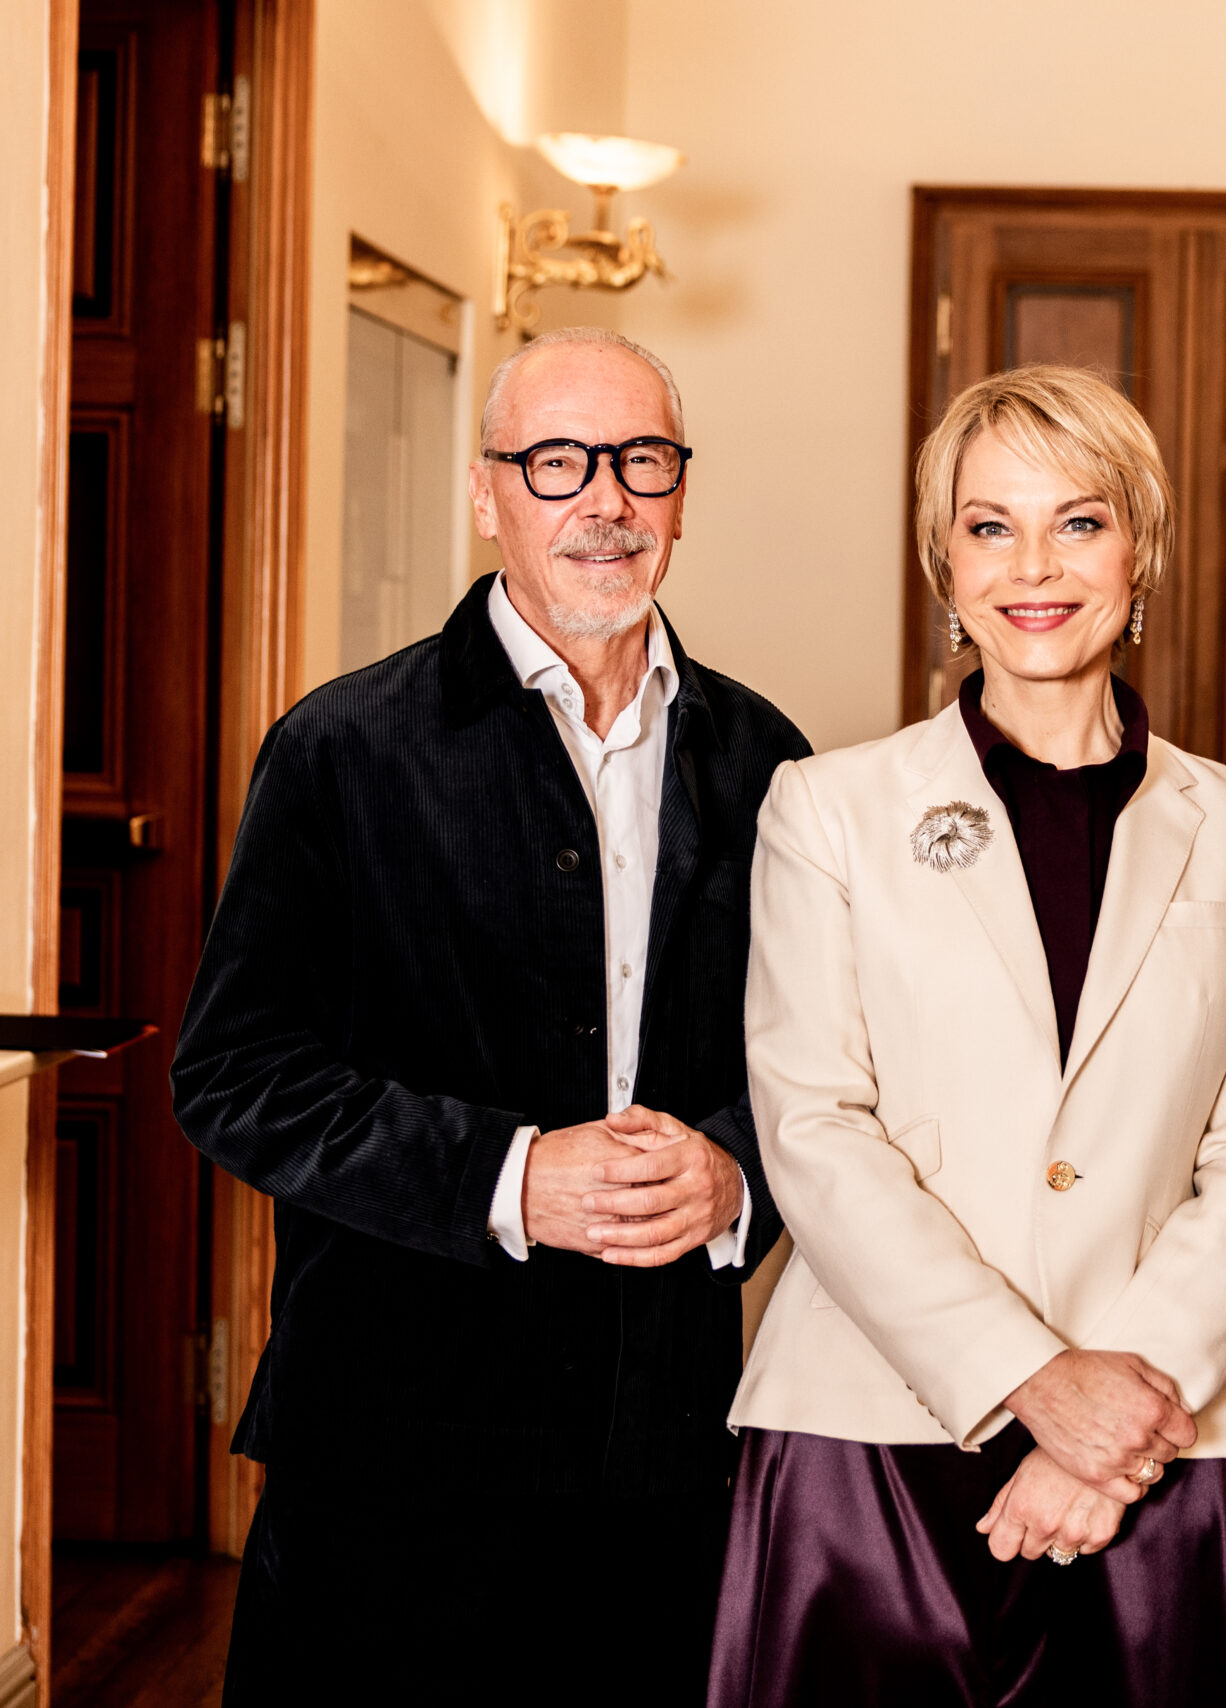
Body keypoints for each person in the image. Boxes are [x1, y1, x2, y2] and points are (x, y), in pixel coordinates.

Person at [171, 326, 808, 1705]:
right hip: (391, 1453)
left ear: (682, 494)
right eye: (556, 461)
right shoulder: (342, 749)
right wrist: (511, 1174)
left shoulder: (770, 763)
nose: (605, 501)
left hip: (666, 1449)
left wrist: (736, 1170)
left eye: (641, 461)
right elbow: (232, 1074)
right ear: (487, 492)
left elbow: (823, 1071)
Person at [710, 363, 1226, 1706]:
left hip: (1163, 1438)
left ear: (1141, 546)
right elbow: (814, 1130)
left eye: (1081, 521)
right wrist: (1033, 1379)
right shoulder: (827, 811)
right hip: (869, 1432)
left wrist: (1120, 1403)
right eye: (990, 525)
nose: (1033, 566)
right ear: (942, 558)